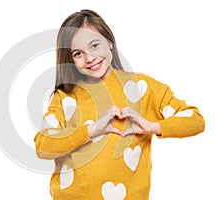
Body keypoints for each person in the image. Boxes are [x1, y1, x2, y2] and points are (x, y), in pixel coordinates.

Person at [34, 9, 205, 200]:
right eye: (78, 53)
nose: (89, 58)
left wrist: (153, 127)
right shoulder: (65, 97)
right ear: (70, 59)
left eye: (95, 45)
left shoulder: (141, 87)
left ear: (110, 43)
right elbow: (43, 146)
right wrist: (91, 130)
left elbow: (195, 120)